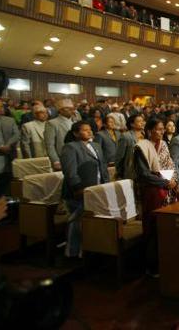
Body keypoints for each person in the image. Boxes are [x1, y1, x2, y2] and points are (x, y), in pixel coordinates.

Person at [134, 118, 179, 276]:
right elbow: (143, 174)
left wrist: (173, 179)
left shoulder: (164, 144)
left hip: (167, 189)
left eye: (162, 129)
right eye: (158, 129)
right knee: (153, 226)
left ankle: (167, 261)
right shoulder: (141, 147)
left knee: (167, 225)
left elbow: (170, 164)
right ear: (149, 131)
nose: (161, 132)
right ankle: (152, 265)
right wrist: (164, 183)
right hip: (153, 190)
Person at [60, 121, 109, 258]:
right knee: (76, 221)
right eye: (84, 130)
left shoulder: (96, 146)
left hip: (97, 188)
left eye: (90, 130)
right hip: (79, 191)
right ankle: (72, 252)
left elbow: (103, 167)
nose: (89, 132)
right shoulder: (71, 147)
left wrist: (106, 185)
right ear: (76, 133)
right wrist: (78, 188)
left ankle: (89, 250)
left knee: (90, 220)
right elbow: (70, 172)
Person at [44, 98, 78, 171]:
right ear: (60, 110)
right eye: (68, 109)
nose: (71, 110)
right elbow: (50, 145)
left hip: (76, 155)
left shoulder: (75, 122)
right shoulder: (52, 123)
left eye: (72, 108)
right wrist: (55, 160)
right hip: (62, 157)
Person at [0, 98, 20, 196]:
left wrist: (7, 145)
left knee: (6, 182)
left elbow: (16, 134)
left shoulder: (10, 120)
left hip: (8, 156)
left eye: (1, 106)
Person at [115, 114, 144, 180]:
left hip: (145, 172)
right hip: (131, 172)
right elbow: (119, 157)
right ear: (132, 124)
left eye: (143, 121)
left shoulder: (146, 135)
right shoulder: (126, 136)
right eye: (139, 121)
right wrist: (120, 174)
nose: (142, 123)